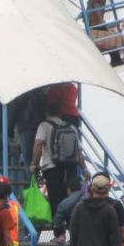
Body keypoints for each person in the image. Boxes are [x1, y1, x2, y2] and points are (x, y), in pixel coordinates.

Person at [33, 85, 85, 218]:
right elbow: (79, 151)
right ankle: (71, 228)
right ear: (60, 112)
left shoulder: (44, 126)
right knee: (72, 199)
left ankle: (59, 233)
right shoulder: (72, 127)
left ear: (46, 112)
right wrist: (85, 169)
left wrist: (34, 163)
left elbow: (38, 145)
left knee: (56, 200)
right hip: (70, 167)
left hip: (52, 168)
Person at [87, 0, 124, 64]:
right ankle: (116, 60)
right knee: (110, 38)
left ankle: (115, 60)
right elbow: (96, 3)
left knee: (108, 39)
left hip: (94, 19)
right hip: (94, 20)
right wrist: (100, 20)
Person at [52, 175, 85, 243]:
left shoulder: (63, 204)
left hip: (75, 238)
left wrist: (59, 235)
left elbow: (57, 224)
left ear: (68, 190)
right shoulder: (91, 198)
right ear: (82, 188)